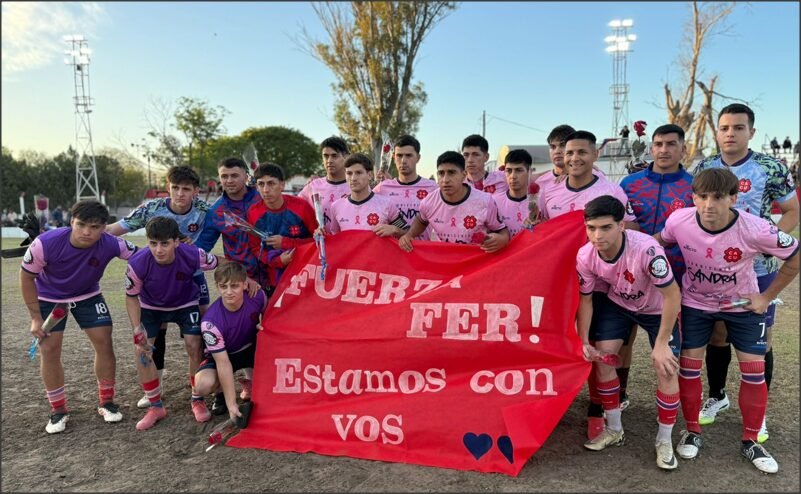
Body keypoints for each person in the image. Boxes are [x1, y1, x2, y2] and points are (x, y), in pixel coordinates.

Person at [655, 167, 799, 474]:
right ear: (692, 197)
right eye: (702, 196)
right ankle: (692, 431)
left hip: (741, 304)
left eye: (718, 197)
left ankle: (751, 441)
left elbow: (796, 255)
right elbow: (660, 242)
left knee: (753, 371)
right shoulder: (679, 220)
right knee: (689, 367)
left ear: (734, 198)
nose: (709, 204)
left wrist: (765, 295)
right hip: (696, 303)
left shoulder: (756, 228)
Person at [693, 104, 799, 442]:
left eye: (738, 128)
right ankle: (718, 395)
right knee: (717, 335)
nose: (730, 134)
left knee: (760, 341)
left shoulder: (771, 166)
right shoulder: (705, 166)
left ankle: (759, 411)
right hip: (715, 270)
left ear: (751, 132)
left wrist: (768, 245)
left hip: (757, 270)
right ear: (717, 132)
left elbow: (791, 209)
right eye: (724, 128)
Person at [576, 195, 682, 470]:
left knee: (666, 367)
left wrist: (661, 344)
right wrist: (582, 339)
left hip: (657, 309)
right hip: (620, 305)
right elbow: (585, 299)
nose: (597, 235)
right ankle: (614, 429)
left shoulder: (647, 249)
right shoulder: (585, 254)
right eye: (591, 228)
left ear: (621, 225)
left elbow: (672, 296)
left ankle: (664, 440)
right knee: (602, 360)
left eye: (605, 227)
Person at [20, 200, 138, 433]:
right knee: (49, 349)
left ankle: (106, 403)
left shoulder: (111, 243)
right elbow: (26, 278)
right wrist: (35, 318)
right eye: (81, 224)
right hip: (48, 297)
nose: (86, 232)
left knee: (104, 342)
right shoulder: (45, 243)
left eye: (94, 227)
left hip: (88, 295)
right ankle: (58, 410)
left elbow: (143, 256)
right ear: (71, 221)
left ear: (104, 227)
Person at [106, 165, 213, 410]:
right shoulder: (151, 208)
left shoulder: (206, 210)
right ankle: (157, 384)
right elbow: (115, 229)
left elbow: (229, 225)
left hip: (192, 275)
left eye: (186, 189)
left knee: (201, 333)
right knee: (156, 331)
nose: (180, 194)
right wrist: (81, 234)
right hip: (157, 278)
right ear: (168, 188)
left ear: (196, 191)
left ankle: (205, 386)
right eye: (175, 188)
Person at [617, 124, 694, 409]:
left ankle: (677, 401)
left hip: (676, 275)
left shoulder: (693, 186)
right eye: (659, 144)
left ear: (683, 148)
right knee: (624, 337)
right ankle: (620, 393)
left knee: (673, 343)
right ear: (651, 147)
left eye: (671, 144)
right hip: (630, 275)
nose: (664, 150)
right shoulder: (629, 184)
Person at [125, 217, 220, 429]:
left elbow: (220, 262)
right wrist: (136, 328)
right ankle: (155, 405)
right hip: (151, 308)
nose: (158, 250)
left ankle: (197, 400)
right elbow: (131, 297)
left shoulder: (193, 254)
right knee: (141, 350)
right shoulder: (137, 263)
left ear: (177, 241)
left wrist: (247, 275)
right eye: (153, 243)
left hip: (185, 304)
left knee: (195, 344)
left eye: (165, 243)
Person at [194, 262, 267, 422]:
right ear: (217, 287)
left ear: (245, 284)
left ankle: (251, 384)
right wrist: (232, 404)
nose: (228, 292)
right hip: (225, 355)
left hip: (250, 349)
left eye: (234, 286)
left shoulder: (258, 297)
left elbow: (271, 321)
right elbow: (223, 363)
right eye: (223, 286)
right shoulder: (210, 323)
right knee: (203, 385)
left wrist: (264, 326)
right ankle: (219, 393)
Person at [398, 151, 509, 253]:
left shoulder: (485, 201)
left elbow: (502, 230)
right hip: (445, 263)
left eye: (451, 173)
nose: (445, 179)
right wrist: (409, 234)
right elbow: (421, 220)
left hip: (475, 265)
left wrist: (503, 239)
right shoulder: (428, 202)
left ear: (463, 175)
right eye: (441, 173)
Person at [537, 130, 637, 228]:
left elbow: (634, 225)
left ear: (595, 154)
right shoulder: (549, 190)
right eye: (569, 153)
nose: (575, 158)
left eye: (582, 152)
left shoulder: (612, 191)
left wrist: (605, 226)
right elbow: (542, 225)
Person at [247, 162, 317, 298]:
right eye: (261, 184)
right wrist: (278, 261)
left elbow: (318, 241)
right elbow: (255, 248)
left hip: (304, 276)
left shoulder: (301, 207)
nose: (266, 190)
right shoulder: (253, 213)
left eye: (271, 183)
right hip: (273, 281)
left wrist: (286, 243)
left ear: (282, 185)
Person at [195, 156, 264, 287]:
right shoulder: (216, 212)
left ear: (246, 176)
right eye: (224, 176)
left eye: (234, 175)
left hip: (277, 276)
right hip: (242, 281)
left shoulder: (263, 198)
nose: (229, 181)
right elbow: (202, 247)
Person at [373, 134, 438, 239]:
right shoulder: (382, 188)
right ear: (394, 158)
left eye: (408, 155)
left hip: (421, 252)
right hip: (392, 252)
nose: (403, 160)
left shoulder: (433, 188)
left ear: (418, 158)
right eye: (399, 156)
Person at [326, 153, 406, 236]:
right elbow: (335, 240)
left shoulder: (387, 204)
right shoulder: (336, 206)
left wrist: (395, 229)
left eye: (359, 173)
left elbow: (407, 234)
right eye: (349, 173)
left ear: (369, 175)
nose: (353, 178)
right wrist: (321, 235)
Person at [297, 136, 351, 233]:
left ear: (346, 157)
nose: (329, 160)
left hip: (349, 245)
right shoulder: (313, 187)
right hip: (320, 245)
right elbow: (295, 212)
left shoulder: (356, 186)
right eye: (326, 156)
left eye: (334, 156)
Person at [494, 149, 535, 237]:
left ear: (529, 172)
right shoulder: (494, 201)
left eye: (519, 170)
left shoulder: (540, 200)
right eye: (508, 170)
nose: (512, 176)